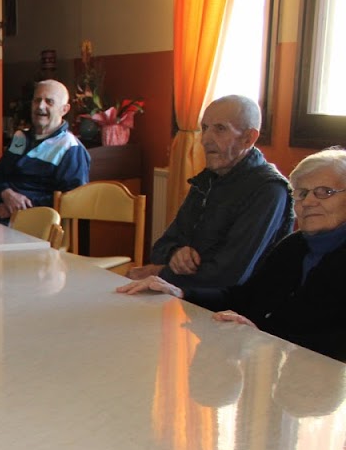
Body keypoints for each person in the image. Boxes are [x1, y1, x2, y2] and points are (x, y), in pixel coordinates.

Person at [117, 147, 346, 362]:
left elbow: (332, 339)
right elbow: (245, 297)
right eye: (302, 193)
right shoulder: (294, 246)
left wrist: (263, 334)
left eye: (325, 192)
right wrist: (180, 291)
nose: (308, 202)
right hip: (283, 363)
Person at [128, 95, 293, 288]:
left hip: (234, 305)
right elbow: (160, 248)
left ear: (248, 138)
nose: (205, 140)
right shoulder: (208, 179)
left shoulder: (269, 191)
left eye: (220, 129)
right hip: (186, 293)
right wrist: (175, 253)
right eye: (204, 128)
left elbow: (228, 276)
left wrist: (159, 273)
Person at [0, 79, 90, 219]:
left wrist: (19, 207)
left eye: (49, 102)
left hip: (31, 222)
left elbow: (73, 199)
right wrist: (7, 194)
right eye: (37, 100)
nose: (40, 106)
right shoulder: (20, 138)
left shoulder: (70, 147)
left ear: (64, 109)